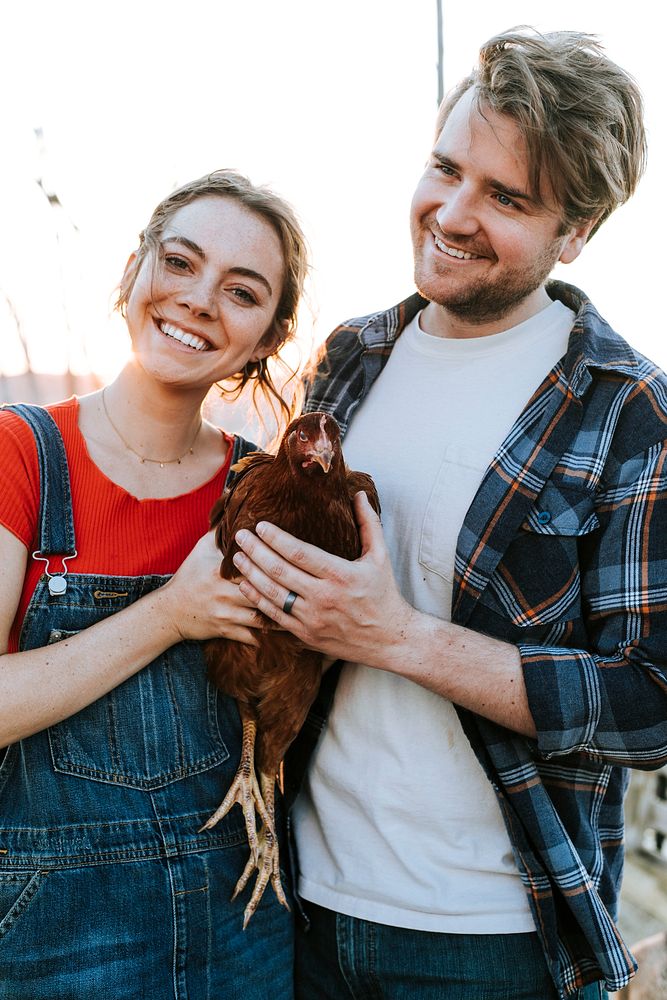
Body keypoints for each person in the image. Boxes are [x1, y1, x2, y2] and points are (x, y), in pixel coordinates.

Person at [230, 29, 667, 1000]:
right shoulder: (353, 355)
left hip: (490, 935)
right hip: (295, 901)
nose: (452, 213)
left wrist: (396, 636)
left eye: (506, 198)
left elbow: (651, 699)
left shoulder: (624, 407)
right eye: (444, 169)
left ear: (575, 233)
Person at [0, 169, 308, 998]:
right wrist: (172, 614)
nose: (199, 299)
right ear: (134, 271)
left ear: (267, 338)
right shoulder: (23, 454)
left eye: (241, 292)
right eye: (179, 262)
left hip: (244, 928)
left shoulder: (263, 492)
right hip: (56, 936)